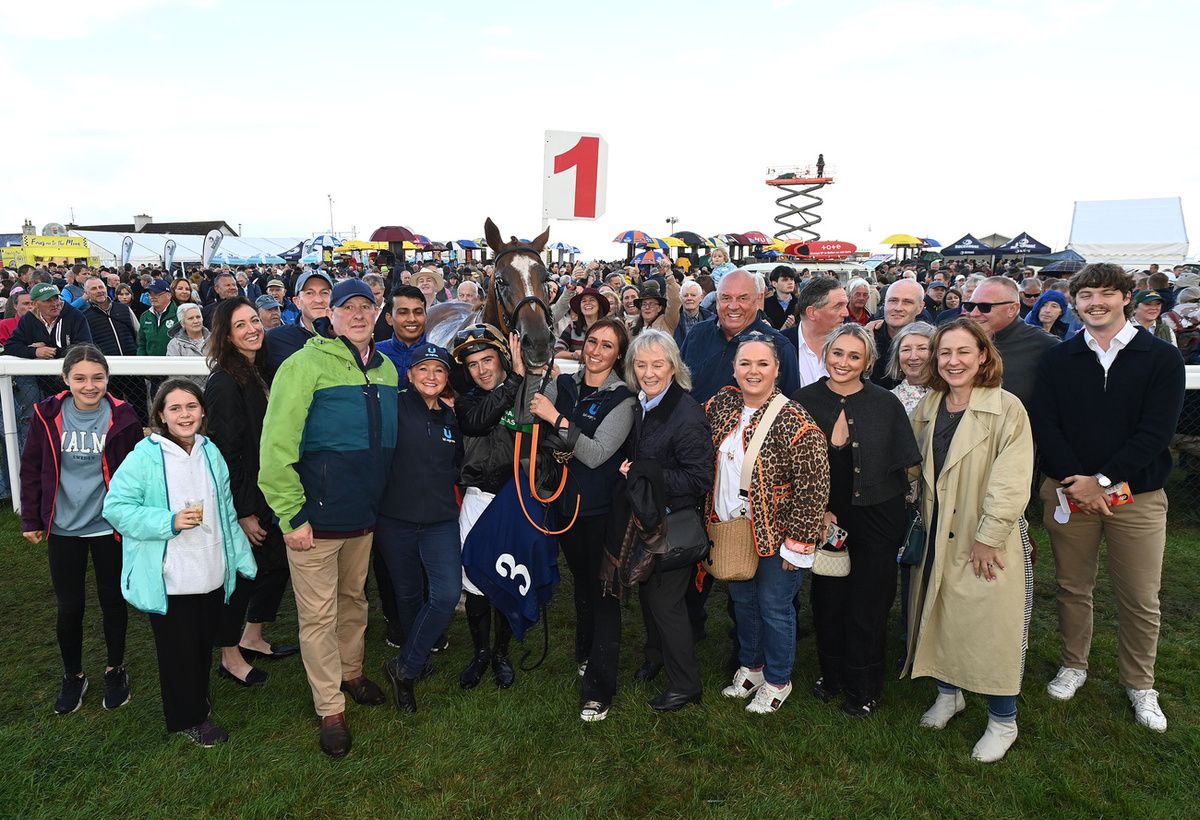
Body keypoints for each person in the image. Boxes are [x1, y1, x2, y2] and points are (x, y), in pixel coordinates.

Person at [1031, 263, 1185, 733]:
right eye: (1086, 295)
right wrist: (1078, 481)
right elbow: (1046, 424)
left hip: (1135, 496)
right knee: (1073, 587)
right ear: (1075, 302)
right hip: (1069, 492)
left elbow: (1156, 432)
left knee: (1139, 596)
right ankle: (1074, 665)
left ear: (1125, 298)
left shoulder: (1160, 357)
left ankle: (1141, 683)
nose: (1095, 302)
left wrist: (1102, 480)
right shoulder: (1059, 358)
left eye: (1105, 293)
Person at [259, 278, 399, 757]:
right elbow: (275, 446)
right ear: (330, 314)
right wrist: (290, 516)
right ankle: (329, 706)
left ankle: (352, 672)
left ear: (377, 313)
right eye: (348, 307)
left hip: (363, 517)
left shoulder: (386, 371)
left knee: (354, 600)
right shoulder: (302, 365)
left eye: (366, 306)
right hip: (313, 522)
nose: (358, 315)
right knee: (317, 617)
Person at [903, 318, 1033, 763]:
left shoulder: (1007, 408)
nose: (953, 361)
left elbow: (1013, 480)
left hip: (982, 537)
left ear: (983, 356)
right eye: (945, 353)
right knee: (938, 613)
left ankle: (1003, 719)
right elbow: (910, 461)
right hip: (936, 527)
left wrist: (990, 537)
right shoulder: (930, 406)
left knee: (989, 625)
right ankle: (948, 692)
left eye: (963, 352)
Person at [103, 379, 257, 747]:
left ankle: (197, 698)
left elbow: (225, 508)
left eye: (191, 406)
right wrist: (168, 522)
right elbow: (116, 508)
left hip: (210, 569)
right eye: (175, 408)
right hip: (172, 575)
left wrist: (240, 556)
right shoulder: (145, 456)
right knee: (178, 651)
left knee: (202, 643)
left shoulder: (210, 451)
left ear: (203, 411)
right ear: (160, 415)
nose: (184, 415)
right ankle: (186, 718)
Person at [794, 325, 919, 717]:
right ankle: (831, 677)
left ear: (868, 362)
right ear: (825, 354)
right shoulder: (803, 400)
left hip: (878, 516)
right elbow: (792, 467)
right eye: (837, 353)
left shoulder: (885, 403)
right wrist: (816, 512)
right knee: (828, 600)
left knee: (869, 603)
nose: (843, 362)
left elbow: (908, 467)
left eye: (854, 356)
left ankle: (863, 686)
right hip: (824, 517)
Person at [706, 334, 829, 714]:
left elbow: (814, 484)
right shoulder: (722, 403)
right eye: (745, 363)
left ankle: (778, 680)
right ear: (734, 368)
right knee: (743, 602)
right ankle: (752, 667)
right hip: (731, 530)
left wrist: (800, 543)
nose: (753, 371)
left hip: (779, 536)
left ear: (777, 369)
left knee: (775, 607)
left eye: (762, 364)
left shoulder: (795, 420)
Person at [597, 329, 712, 717]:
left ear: (673, 367)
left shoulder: (686, 413)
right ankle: (655, 657)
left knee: (666, 603)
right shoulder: (642, 402)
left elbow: (699, 478)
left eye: (657, 364)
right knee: (649, 595)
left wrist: (647, 473)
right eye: (641, 364)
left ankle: (686, 685)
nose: (648, 372)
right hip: (647, 521)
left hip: (673, 525)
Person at [20, 345, 142, 714]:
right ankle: (73, 675)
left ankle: (114, 668)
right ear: (66, 380)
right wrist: (32, 519)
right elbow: (31, 468)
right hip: (63, 527)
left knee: (113, 600)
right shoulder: (46, 415)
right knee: (69, 606)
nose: (90, 386)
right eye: (81, 378)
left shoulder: (124, 416)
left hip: (110, 527)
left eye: (98, 377)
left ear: (108, 378)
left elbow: (137, 473)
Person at [528, 318, 636, 686]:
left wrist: (555, 418)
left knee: (601, 587)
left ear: (618, 354)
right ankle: (585, 649)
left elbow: (595, 453)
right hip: (564, 504)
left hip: (600, 509)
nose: (596, 351)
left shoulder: (623, 399)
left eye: (607, 345)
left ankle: (601, 664)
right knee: (581, 582)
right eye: (592, 341)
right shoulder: (565, 383)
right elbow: (531, 416)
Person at [205, 298, 299, 689]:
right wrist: (244, 511)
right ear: (226, 334)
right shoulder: (224, 382)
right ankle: (229, 657)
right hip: (246, 495)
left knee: (275, 566)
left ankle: (253, 636)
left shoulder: (260, 369)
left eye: (254, 321)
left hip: (270, 486)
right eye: (241, 324)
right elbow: (228, 452)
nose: (252, 329)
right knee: (243, 576)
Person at [379, 345, 463, 714]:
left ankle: (404, 668)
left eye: (439, 370)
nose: (431, 376)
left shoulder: (451, 418)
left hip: (440, 521)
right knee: (409, 597)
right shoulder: (392, 407)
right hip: (394, 519)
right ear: (409, 374)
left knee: (446, 594)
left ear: (447, 379)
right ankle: (414, 664)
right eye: (423, 369)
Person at [451, 325, 527, 690]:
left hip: (514, 503)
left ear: (502, 358)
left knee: (507, 580)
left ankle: (501, 653)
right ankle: (481, 652)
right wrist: (513, 381)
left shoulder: (525, 393)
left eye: (488, 360)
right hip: (478, 501)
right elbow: (479, 423)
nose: (482, 370)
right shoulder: (465, 400)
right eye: (473, 364)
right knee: (476, 581)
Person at [681, 269, 801, 403]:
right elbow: (678, 386)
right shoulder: (697, 334)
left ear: (757, 300)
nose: (733, 306)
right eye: (726, 298)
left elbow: (788, 407)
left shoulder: (779, 347)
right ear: (717, 300)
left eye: (743, 298)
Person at [964, 275, 1057, 410]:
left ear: (1012, 309)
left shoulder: (1046, 346)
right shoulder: (962, 338)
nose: (974, 313)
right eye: (970, 306)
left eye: (985, 307)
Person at [264, 269, 333, 380]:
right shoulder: (276, 338)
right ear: (297, 302)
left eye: (324, 293)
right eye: (309, 293)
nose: (318, 300)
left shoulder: (346, 337)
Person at [782, 277, 849, 388]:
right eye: (838, 306)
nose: (846, 313)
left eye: (846, 305)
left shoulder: (849, 345)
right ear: (812, 313)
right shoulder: (779, 347)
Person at [5, 283, 93, 361]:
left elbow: (86, 346)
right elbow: (11, 346)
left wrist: (52, 351)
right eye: (47, 300)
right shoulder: (29, 319)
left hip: (70, 370)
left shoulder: (75, 316)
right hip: (38, 374)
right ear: (35, 304)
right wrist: (35, 352)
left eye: (56, 298)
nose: (54, 304)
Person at [869, 279, 929, 389]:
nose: (898, 308)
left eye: (907, 302)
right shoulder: (867, 337)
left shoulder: (931, 341)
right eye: (893, 301)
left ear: (920, 307)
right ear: (884, 303)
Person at [377, 285, 429, 384]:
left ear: (426, 317)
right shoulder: (374, 354)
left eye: (418, 312)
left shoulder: (439, 356)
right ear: (389, 319)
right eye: (403, 313)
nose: (412, 319)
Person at [80, 276, 137, 357]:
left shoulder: (124, 309)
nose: (99, 291)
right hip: (106, 363)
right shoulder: (85, 317)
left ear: (106, 288)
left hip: (131, 360)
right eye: (94, 289)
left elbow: (138, 333)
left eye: (101, 287)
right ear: (86, 293)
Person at [888, 321, 936, 414]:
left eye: (922, 348)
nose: (913, 357)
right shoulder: (886, 400)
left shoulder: (953, 395)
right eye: (906, 349)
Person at [554, 287, 608, 360]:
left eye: (592, 300)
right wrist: (573, 355)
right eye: (584, 301)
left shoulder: (608, 329)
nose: (587, 303)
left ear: (599, 305)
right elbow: (556, 351)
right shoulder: (573, 326)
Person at [136, 280, 178, 357]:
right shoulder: (145, 316)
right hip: (151, 364)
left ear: (169, 295)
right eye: (150, 294)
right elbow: (141, 343)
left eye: (157, 293)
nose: (152, 297)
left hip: (173, 364)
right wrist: (142, 361)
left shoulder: (179, 314)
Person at [673, 279, 712, 347]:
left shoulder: (711, 320)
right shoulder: (673, 320)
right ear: (680, 298)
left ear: (701, 298)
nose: (689, 298)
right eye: (685, 295)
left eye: (693, 295)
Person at [762, 266, 800, 330]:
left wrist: (794, 326)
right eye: (785, 280)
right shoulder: (765, 304)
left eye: (792, 279)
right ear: (774, 283)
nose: (790, 282)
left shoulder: (801, 303)